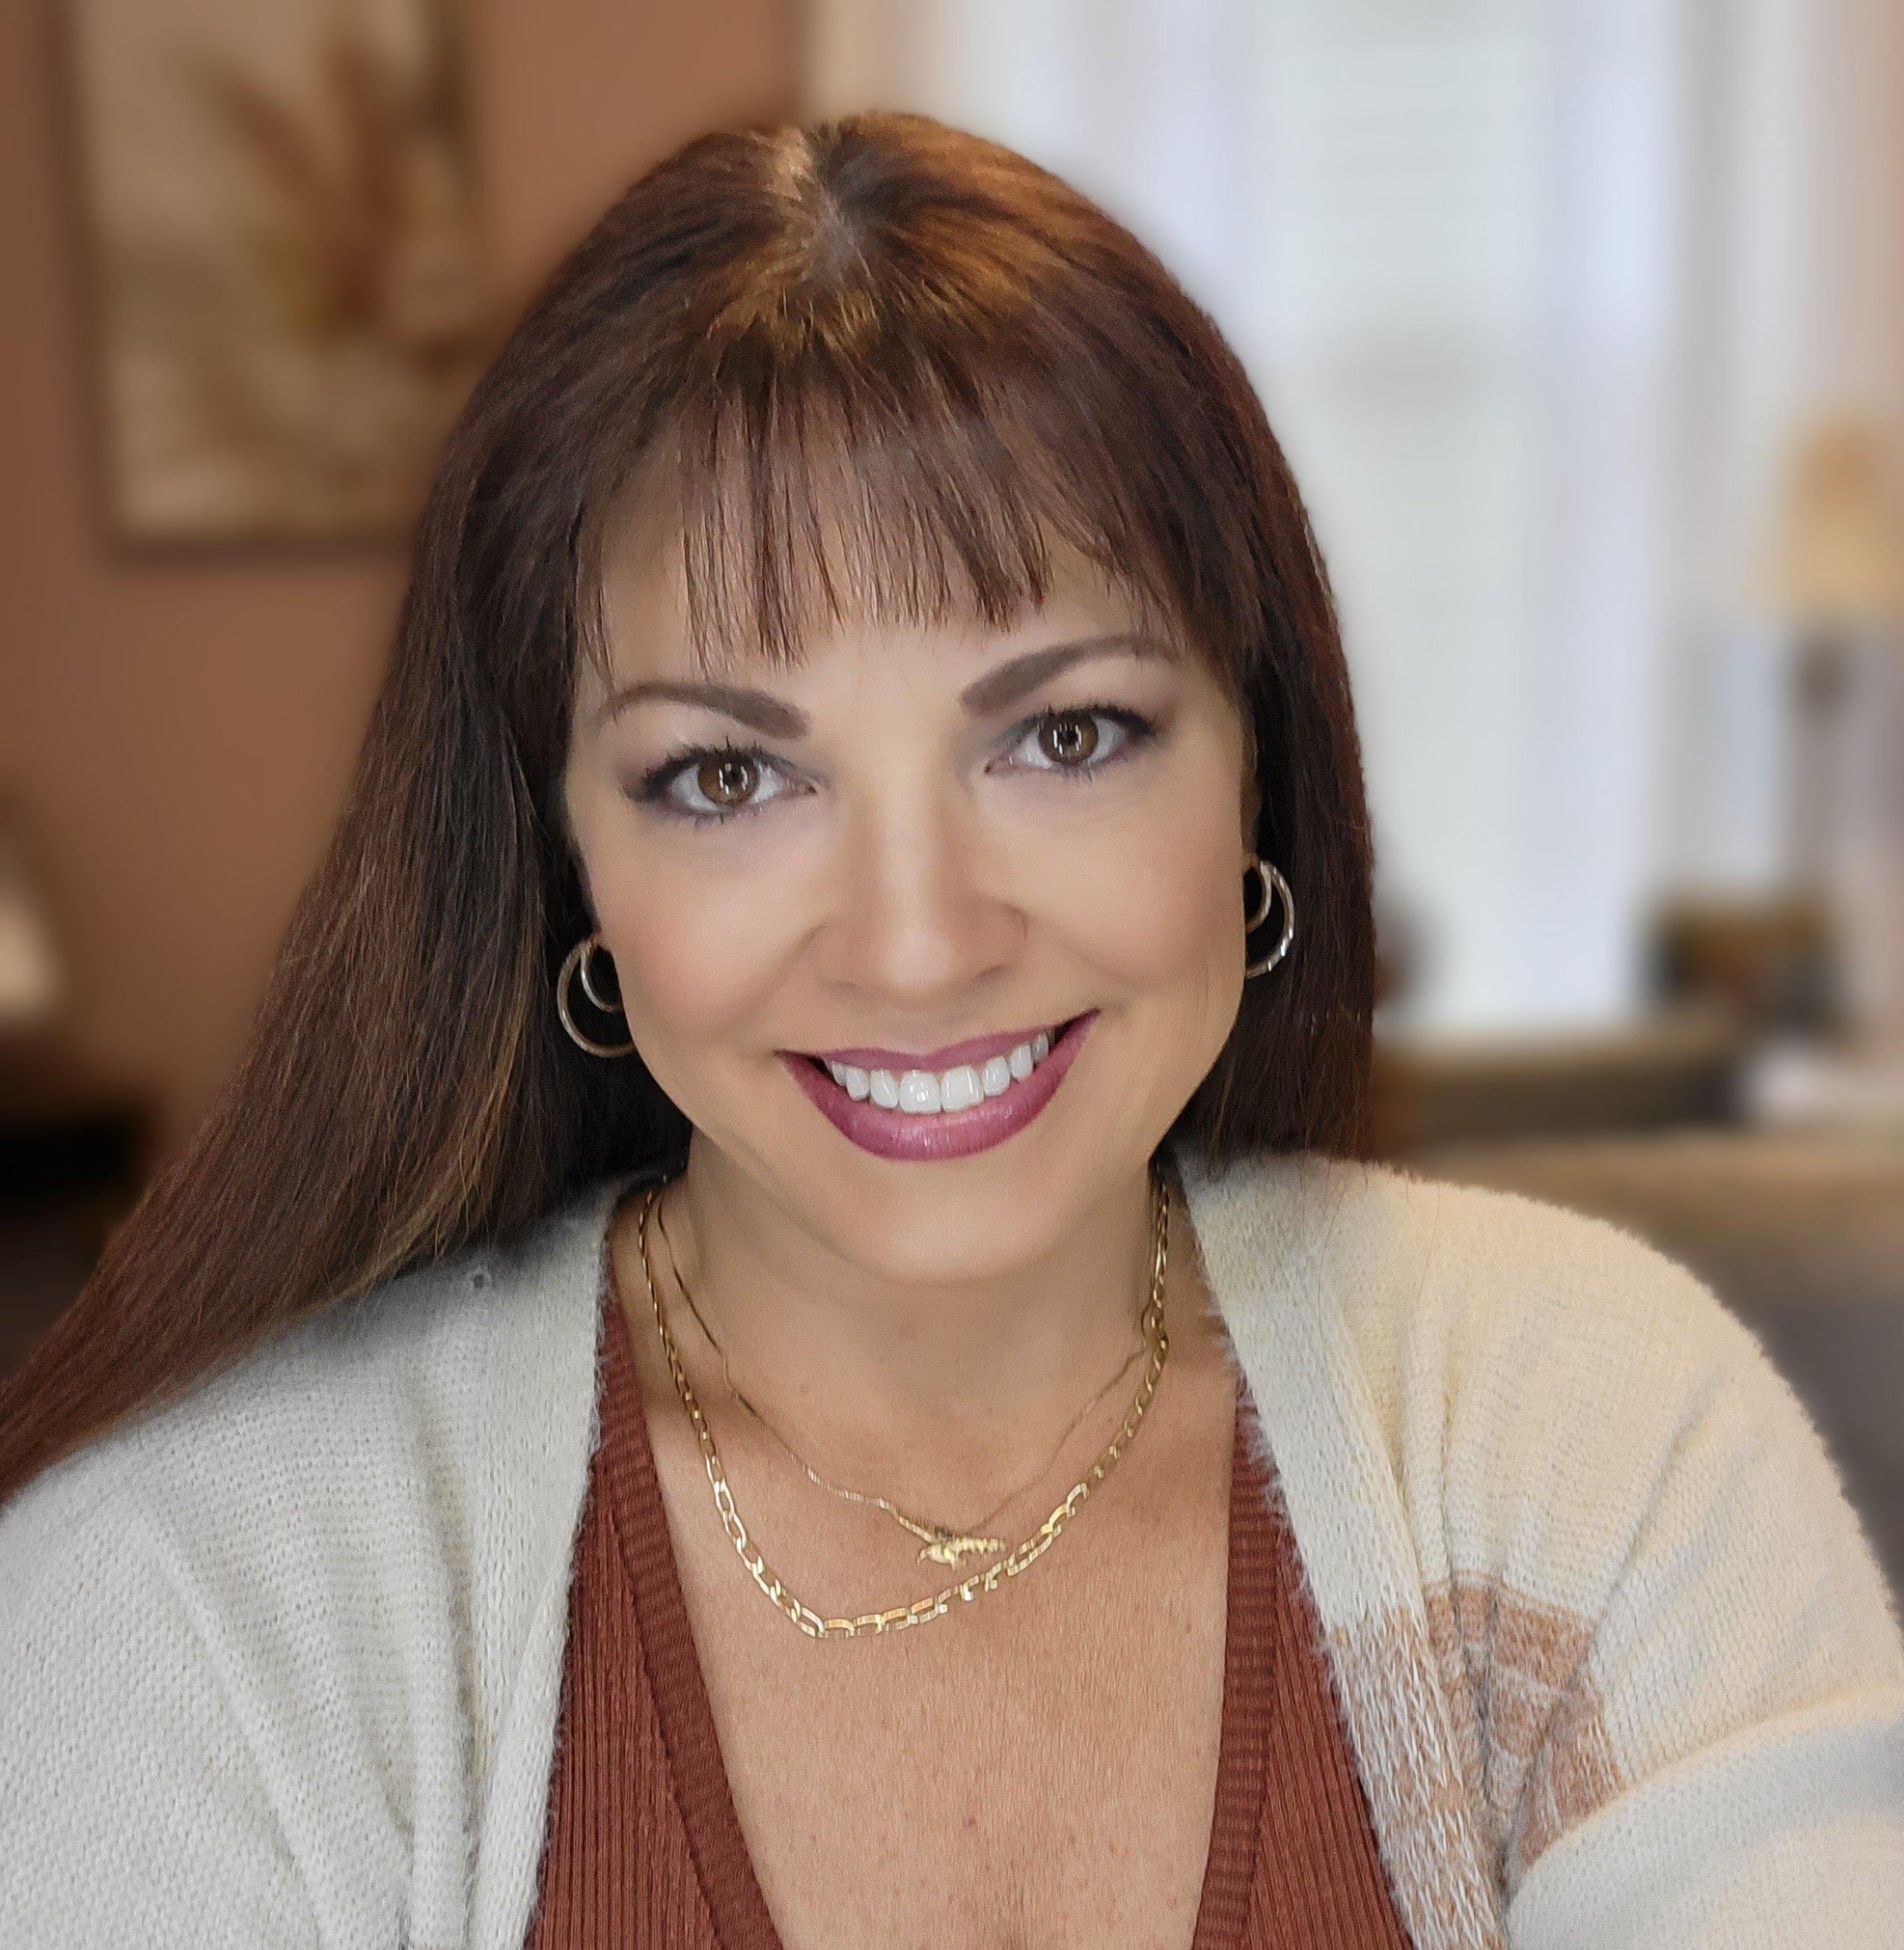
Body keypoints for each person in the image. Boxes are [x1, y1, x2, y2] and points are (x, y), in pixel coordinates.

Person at [2, 110, 1899, 1950]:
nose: (916, 945)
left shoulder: (1594, 1437)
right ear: (559, 856)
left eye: (1062, 735)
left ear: (1255, 772)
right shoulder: (200, 1603)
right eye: (727, 772)